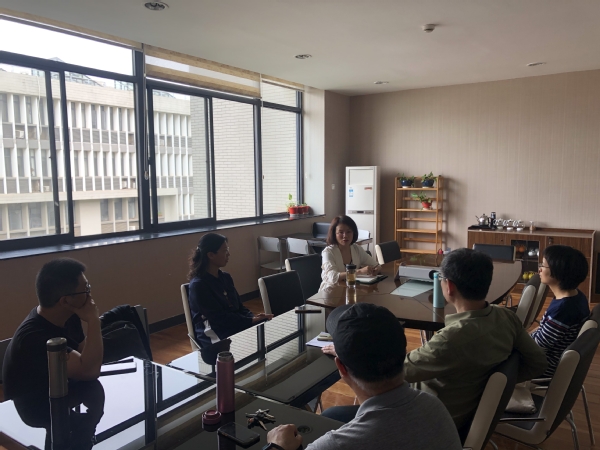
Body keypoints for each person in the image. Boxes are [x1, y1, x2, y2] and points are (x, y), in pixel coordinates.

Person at [265, 303, 462, 450]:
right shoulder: (435, 407)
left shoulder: (335, 445)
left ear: (341, 367)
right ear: (404, 352)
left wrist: (277, 447)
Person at [403, 248, 547, 437]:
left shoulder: (450, 340)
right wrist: (492, 386)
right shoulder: (506, 317)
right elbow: (538, 363)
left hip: (428, 421)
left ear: (449, 286)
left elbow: (397, 372)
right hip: (465, 414)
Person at [2, 258, 104, 400]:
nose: (89, 295)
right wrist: (94, 321)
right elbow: (90, 371)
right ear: (65, 301)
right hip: (38, 406)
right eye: (86, 290)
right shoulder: (34, 339)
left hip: (65, 392)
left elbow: (86, 357)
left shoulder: (67, 315)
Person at [187, 233, 273, 348]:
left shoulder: (225, 277)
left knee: (266, 329)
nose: (228, 254)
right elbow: (218, 318)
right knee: (247, 345)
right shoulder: (198, 285)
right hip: (215, 332)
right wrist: (249, 321)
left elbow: (239, 307)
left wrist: (253, 318)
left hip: (232, 325)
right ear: (211, 255)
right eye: (225, 251)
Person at [531, 245, 590, 377]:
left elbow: (536, 347)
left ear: (558, 271)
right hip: (548, 359)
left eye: (543, 265)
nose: (539, 269)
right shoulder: (576, 296)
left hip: (543, 368)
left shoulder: (563, 310)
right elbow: (542, 331)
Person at [320, 215, 380, 290]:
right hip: (330, 291)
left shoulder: (356, 249)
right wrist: (359, 271)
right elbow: (333, 277)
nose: (345, 236)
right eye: (341, 232)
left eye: (349, 232)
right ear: (334, 234)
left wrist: (375, 270)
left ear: (353, 233)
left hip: (351, 290)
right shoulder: (328, 252)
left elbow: (376, 265)